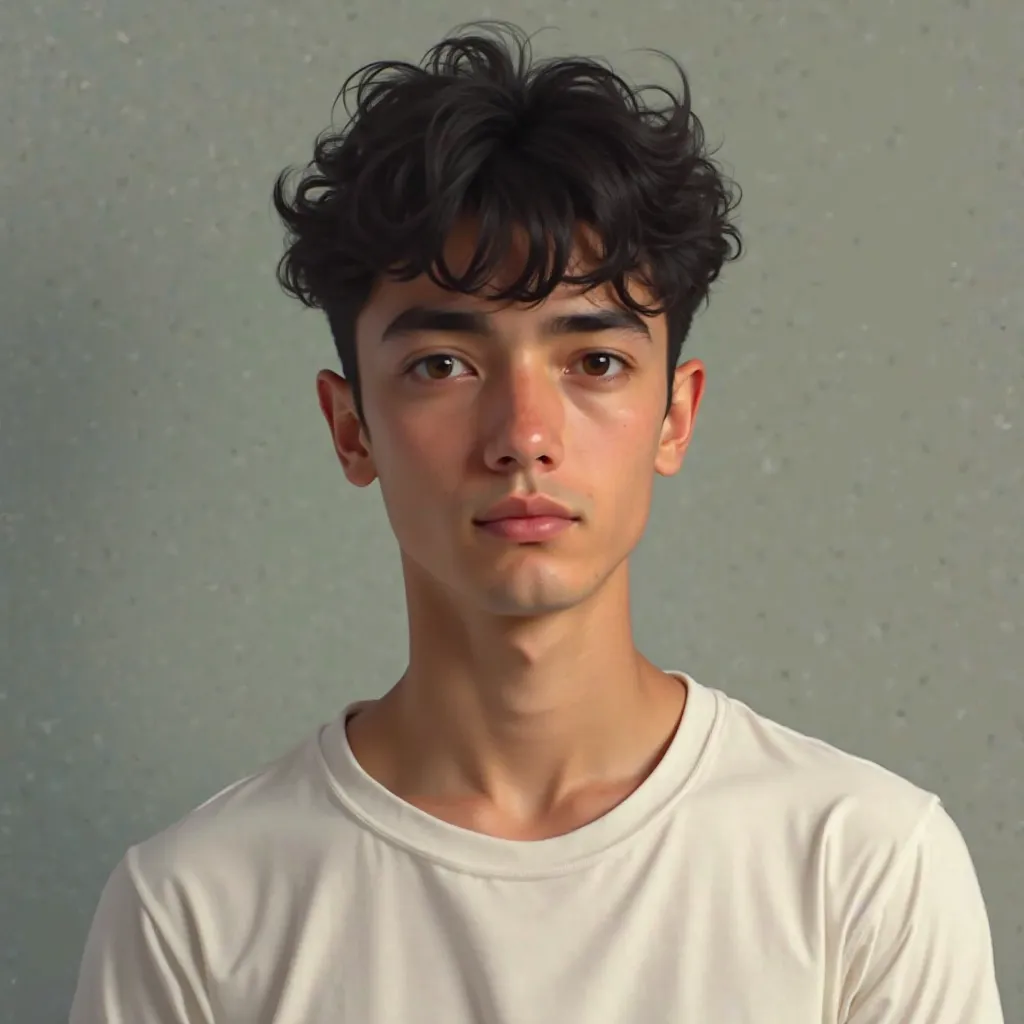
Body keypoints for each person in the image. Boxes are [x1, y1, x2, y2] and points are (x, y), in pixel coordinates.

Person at [70, 21, 1005, 1023]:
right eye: (443, 365)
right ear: (351, 429)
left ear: (674, 414)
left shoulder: (861, 865)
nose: (522, 435)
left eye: (593, 362)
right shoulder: (196, 912)